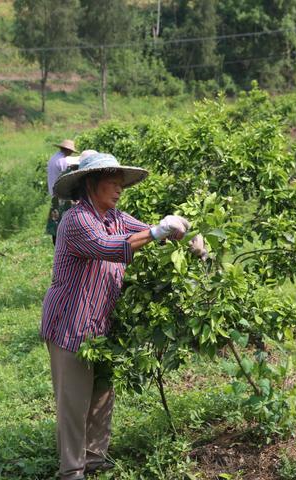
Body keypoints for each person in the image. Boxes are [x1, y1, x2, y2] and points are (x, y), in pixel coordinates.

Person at [40, 152, 206, 479]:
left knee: (101, 394)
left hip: (102, 325)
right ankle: (72, 471)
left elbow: (147, 231)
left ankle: (95, 459)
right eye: (111, 183)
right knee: (74, 404)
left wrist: (187, 234)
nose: (118, 190)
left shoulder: (116, 216)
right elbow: (110, 247)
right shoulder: (76, 220)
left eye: (120, 185)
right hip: (70, 326)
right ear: (91, 183)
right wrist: (159, 232)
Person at [46, 139, 78, 246]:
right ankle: (63, 246)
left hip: (54, 195)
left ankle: (57, 247)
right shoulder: (63, 161)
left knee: (56, 223)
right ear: (68, 150)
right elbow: (67, 177)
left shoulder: (53, 158)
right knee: (63, 224)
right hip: (62, 196)